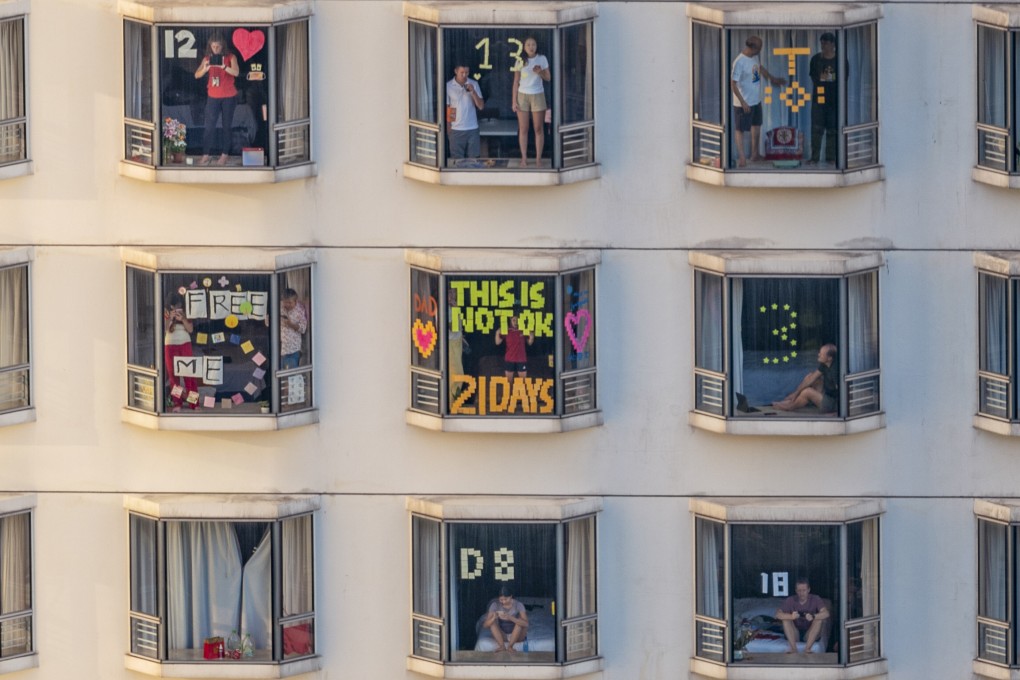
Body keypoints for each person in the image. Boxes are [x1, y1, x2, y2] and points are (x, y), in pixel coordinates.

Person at [730, 35, 786, 167]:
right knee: (740, 129)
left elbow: (760, 68)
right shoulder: (739, 62)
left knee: (756, 126)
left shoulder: (754, 57)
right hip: (743, 103)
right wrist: (743, 102)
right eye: (759, 48)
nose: (761, 50)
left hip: (756, 100)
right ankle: (743, 157)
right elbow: (733, 84)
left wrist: (772, 79)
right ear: (752, 47)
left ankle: (755, 154)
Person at [194, 35, 240, 166]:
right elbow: (196, 75)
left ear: (222, 46)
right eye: (213, 46)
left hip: (229, 96)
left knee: (226, 126)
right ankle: (206, 154)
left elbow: (236, 72)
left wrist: (223, 66)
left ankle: (225, 154)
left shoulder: (231, 57)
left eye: (218, 46)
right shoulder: (207, 58)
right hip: (213, 96)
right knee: (209, 126)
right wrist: (205, 69)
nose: (215, 49)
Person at [512, 37, 551, 167]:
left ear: (537, 46)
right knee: (523, 128)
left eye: (533, 44)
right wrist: (514, 101)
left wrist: (540, 72)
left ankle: (538, 158)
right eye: (528, 44)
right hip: (522, 95)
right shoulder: (519, 60)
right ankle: (524, 158)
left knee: (538, 128)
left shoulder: (542, 58)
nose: (531, 47)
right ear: (524, 47)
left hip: (538, 94)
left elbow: (548, 78)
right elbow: (516, 82)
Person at [772, 343, 839, 413]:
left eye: (821, 354)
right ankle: (793, 400)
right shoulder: (825, 364)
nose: (818, 354)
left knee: (807, 392)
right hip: (828, 395)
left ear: (829, 358)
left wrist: (838, 412)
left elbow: (842, 393)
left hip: (833, 404)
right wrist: (795, 393)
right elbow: (811, 378)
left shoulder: (836, 370)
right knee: (810, 377)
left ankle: (789, 407)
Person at [775, 578, 829, 654]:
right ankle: (794, 649)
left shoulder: (815, 599)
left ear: (808, 590)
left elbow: (826, 613)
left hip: (809, 633)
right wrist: (791, 617)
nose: (802, 593)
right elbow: (778, 614)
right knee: (785, 619)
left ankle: (807, 649)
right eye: (799, 590)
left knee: (819, 619)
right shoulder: (790, 600)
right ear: (796, 591)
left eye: (804, 590)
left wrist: (813, 616)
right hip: (794, 633)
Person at [809, 32, 839, 165]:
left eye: (826, 43)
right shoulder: (816, 59)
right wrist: (826, 79)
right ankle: (814, 157)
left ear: (833, 44)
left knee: (832, 129)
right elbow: (814, 78)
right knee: (816, 129)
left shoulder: (840, 59)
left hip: (834, 100)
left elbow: (843, 78)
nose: (823, 45)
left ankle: (831, 157)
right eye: (822, 43)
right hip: (819, 99)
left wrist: (826, 78)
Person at [163, 292, 197, 411]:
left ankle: (194, 404)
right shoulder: (166, 314)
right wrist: (170, 318)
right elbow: (165, 329)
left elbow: (190, 329)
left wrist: (182, 319)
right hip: (170, 344)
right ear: (169, 306)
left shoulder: (186, 313)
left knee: (189, 375)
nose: (176, 308)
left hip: (185, 343)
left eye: (178, 305)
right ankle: (177, 403)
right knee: (173, 376)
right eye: (173, 306)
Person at [446, 63, 485, 163]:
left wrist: (473, 92)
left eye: (466, 73)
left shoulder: (474, 84)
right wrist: (449, 127)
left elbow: (480, 106)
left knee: (473, 160)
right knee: (457, 161)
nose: (464, 75)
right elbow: (449, 108)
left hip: (472, 128)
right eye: (462, 72)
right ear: (456, 71)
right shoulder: (449, 86)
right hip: (456, 129)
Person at [482, 586, 529, 652]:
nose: (503, 602)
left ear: (511, 596)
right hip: (503, 635)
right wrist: (493, 618)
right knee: (492, 623)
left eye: (506, 599)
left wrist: (510, 617)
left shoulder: (518, 604)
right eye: (501, 600)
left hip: (517, 636)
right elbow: (485, 625)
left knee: (520, 621)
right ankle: (502, 646)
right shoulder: (495, 605)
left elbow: (526, 624)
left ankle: (510, 646)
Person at [495, 313, 534, 381]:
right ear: (510, 320)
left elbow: (530, 343)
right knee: (509, 382)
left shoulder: (524, 330)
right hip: (509, 359)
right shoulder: (506, 330)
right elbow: (497, 342)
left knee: (522, 383)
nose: (516, 322)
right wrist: (497, 332)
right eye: (514, 320)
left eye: (517, 320)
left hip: (521, 359)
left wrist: (532, 336)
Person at [279, 288, 308, 369]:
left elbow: (303, 329)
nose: (287, 305)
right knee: (280, 378)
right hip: (279, 349)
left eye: (290, 303)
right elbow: (268, 322)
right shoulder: (279, 307)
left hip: (293, 350)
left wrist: (290, 324)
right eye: (285, 302)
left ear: (295, 301)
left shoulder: (300, 310)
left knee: (291, 378)